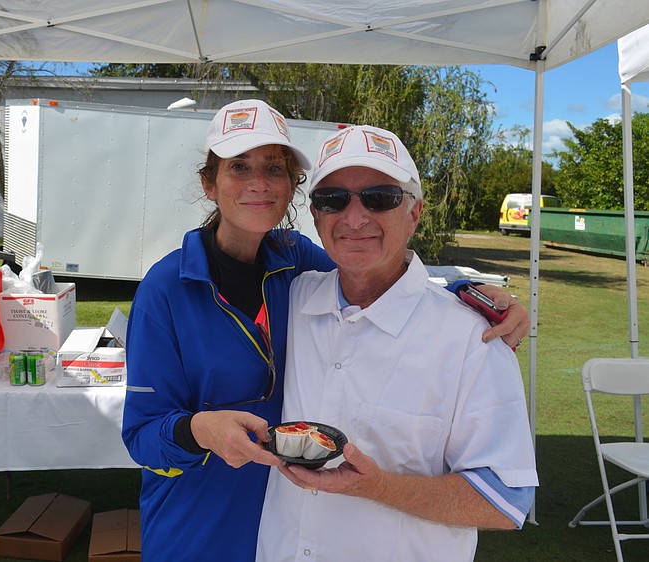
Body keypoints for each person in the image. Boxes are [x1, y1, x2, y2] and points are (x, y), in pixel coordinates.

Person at [121, 100, 529, 562]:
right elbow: (141, 433)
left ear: (294, 186)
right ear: (209, 184)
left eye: (274, 168)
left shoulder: (295, 268)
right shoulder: (171, 288)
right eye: (239, 167)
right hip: (199, 522)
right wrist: (199, 429)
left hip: (273, 528)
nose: (258, 184)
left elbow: (381, 273)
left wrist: (466, 293)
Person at [255, 124, 539, 562]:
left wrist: (377, 487)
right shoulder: (291, 300)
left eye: (379, 197)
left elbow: (504, 499)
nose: (353, 217)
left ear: (415, 212)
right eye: (333, 200)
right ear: (315, 216)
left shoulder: (472, 338)